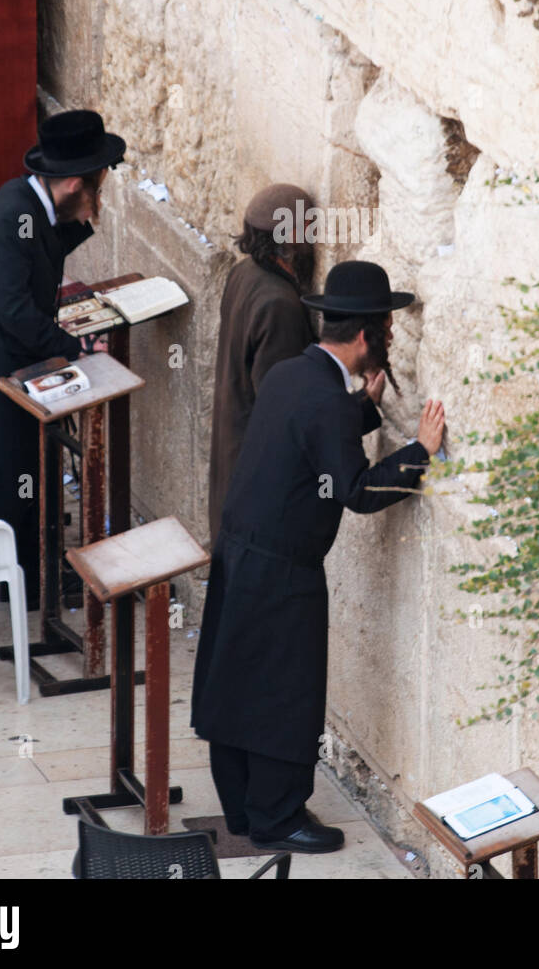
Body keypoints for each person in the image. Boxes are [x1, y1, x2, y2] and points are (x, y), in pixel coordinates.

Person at [191, 259, 446, 854]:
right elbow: (357, 490)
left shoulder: (291, 376)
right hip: (282, 569)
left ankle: (245, 808)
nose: (387, 340)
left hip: (241, 552)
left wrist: (363, 406)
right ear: (366, 335)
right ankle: (277, 818)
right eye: (386, 330)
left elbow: (310, 433)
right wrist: (419, 451)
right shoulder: (325, 400)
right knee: (285, 691)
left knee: (239, 682)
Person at [0, 109, 126, 653]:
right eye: (98, 182)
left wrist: (83, 220)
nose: (101, 190)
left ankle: (33, 581)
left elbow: (46, 251)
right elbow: (15, 310)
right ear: (77, 181)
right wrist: (74, 349)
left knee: (25, 473)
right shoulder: (15, 214)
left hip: (13, 358)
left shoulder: (32, 207)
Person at [206, 183, 316, 546]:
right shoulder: (279, 305)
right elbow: (280, 405)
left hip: (234, 454)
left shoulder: (243, 273)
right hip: (257, 477)